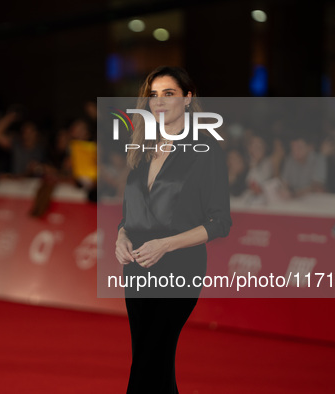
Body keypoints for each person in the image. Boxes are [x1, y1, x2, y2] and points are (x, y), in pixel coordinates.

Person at [114, 66, 232, 393]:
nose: (160, 102)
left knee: (149, 360)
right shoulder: (140, 149)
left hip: (179, 268)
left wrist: (165, 245)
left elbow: (220, 222)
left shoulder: (206, 151)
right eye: (153, 95)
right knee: (153, 363)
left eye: (169, 94)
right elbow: (129, 215)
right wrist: (120, 237)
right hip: (137, 269)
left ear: (188, 99)